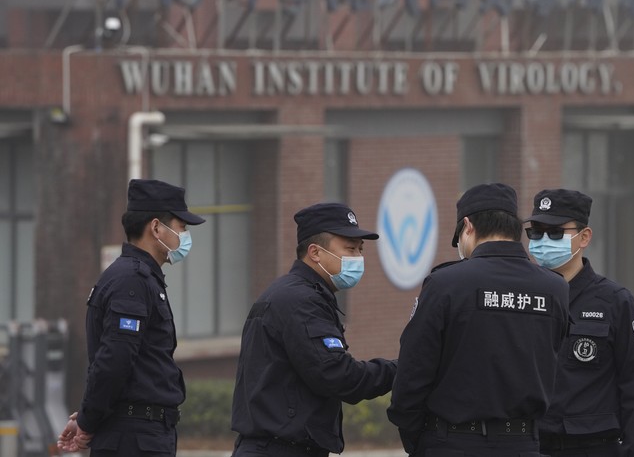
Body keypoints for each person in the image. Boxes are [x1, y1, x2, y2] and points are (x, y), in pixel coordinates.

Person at [388, 183, 570, 457]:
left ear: (468, 226)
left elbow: (412, 375)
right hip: (523, 444)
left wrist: (421, 440)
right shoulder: (555, 288)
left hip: (452, 442)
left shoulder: (445, 284)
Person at [230, 202, 396, 457]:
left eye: (361, 250)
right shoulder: (302, 301)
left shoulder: (293, 293)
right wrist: (403, 367)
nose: (358, 259)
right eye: (350, 249)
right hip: (279, 450)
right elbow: (338, 376)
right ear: (315, 252)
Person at [57, 179, 206, 456]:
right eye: (181, 227)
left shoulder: (139, 278)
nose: (184, 236)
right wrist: (89, 421)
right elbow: (114, 359)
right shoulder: (132, 281)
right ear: (156, 227)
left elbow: (129, 366)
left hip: (138, 433)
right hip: (135, 439)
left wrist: (88, 414)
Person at [525, 188, 634, 457]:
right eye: (536, 232)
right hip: (530, 445)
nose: (543, 240)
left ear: (584, 237)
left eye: (556, 232)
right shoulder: (522, 297)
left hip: (592, 447)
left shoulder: (615, 302)